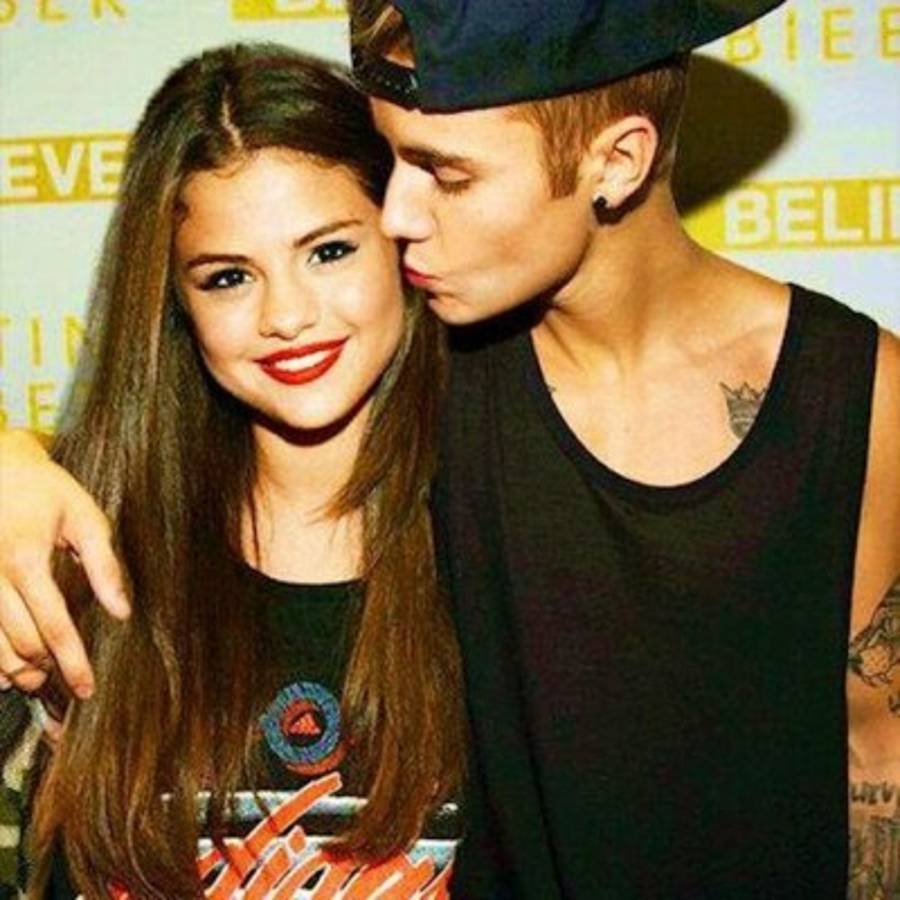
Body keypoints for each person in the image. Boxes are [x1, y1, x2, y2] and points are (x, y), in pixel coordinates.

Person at [2, 1, 899, 896]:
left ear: (618, 161)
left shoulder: (835, 396)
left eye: (445, 175)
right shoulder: (102, 523)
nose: (396, 217)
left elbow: (875, 750)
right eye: (229, 276)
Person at [0, 42, 463, 898]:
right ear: (176, 302)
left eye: (328, 252)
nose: (286, 315)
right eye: (228, 277)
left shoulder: (510, 528)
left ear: (403, 237)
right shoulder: (77, 542)